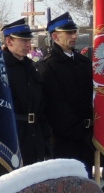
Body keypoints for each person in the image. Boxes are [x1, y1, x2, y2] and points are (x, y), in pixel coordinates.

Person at [37, 12, 94, 175]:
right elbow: (56, 107)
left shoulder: (84, 63)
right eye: (68, 33)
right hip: (64, 140)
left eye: (74, 32)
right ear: (55, 36)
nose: (74, 36)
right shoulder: (48, 67)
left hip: (87, 138)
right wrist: (80, 132)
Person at [0, 18, 48, 171]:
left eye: (29, 40)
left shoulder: (30, 67)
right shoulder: (0, 68)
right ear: (9, 41)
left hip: (34, 133)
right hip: (13, 133)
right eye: (23, 41)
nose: (28, 45)